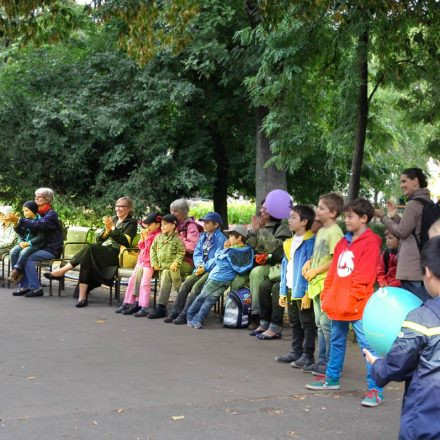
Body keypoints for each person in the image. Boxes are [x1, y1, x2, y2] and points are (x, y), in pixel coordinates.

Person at [306, 198, 384, 408]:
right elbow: (333, 273)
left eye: (350, 217)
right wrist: (329, 295)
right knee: (337, 341)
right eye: (346, 216)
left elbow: (365, 276)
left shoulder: (371, 241)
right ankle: (331, 379)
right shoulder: (343, 242)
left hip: (357, 305)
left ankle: (376, 389)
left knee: (368, 348)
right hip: (339, 304)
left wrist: (353, 299)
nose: (346, 220)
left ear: (364, 218)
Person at [364, 236, 440, 439]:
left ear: (428, 272)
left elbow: (396, 365)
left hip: (426, 420)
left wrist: (377, 364)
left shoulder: (421, 318)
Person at [47, 197, 137, 307]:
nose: (118, 208)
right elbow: (99, 239)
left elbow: (125, 242)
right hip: (102, 251)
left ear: (128, 209)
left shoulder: (131, 223)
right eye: (117, 206)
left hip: (116, 254)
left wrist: (112, 229)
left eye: (122, 206)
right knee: (87, 258)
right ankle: (82, 298)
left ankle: (63, 271)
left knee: (90, 249)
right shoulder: (113, 219)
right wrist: (107, 231)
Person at [301, 192, 344, 375]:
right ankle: (322, 360)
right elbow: (321, 254)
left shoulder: (335, 231)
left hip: (327, 284)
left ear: (332, 212)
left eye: (321, 208)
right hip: (316, 284)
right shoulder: (322, 231)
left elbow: (336, 259)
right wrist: (310, 262)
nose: (317, 210)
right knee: (320, 323)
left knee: (327, 325)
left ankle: (330, 362)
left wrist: (316, 271)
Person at [231, 201, 291, 329]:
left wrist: (261, 230)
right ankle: (235, 313)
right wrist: (253, 231)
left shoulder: (283, 227)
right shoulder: (258, 226)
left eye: (266, 209)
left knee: (257, 273)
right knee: (236, 280)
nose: (262, 210)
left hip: (274, 265)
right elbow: (250, 246)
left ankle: (256, 315)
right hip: (254, 262)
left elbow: (277, 250)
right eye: (262, 208)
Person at [270, 206, 316, 370]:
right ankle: (296, 351)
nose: (289, 220)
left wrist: (307, 293)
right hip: (290, 287)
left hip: (302, 290)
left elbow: (312, 270)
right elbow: (284, 268)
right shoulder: (288, 243)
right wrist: (282, 290)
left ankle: (308, 354)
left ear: (304, 222)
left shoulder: (311, 242)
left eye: (293, 217)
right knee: (295, 322)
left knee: (307, 322)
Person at [375, 168, 431, 302]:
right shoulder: (426, 202)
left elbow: (402, 232)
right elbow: (413, 231)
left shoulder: (413, 204)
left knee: (414, 308)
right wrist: (395, 216)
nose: (401, 185)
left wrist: (383, 216)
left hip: (411, 270)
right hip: (423, 265)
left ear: (416, 181)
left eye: (404, 181)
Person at [164, 212, 227, 324]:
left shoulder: (221, 239)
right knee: (186, 284)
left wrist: (205, 267)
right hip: (201, 268)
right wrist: (199, 265)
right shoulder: (204, 236)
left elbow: (218, 257)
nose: (204, 225)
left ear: (216, 225)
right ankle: (175, 312)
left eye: (207, 223)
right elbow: (197, 253)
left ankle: (185, 314)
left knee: (196, 287)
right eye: (204, 222)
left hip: (213, 271)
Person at [186, 225, 254, 329]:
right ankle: (193, 317)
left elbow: (217, 258)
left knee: (206, 298)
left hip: (219, 278)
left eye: (231, 236)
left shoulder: (231, 251)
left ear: (239, 238)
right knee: (206, 298)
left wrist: (224, 249)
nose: (229, 239)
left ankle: (196, 318)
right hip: (220, 279)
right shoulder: (245, 251)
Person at [147, 200, 200, 318]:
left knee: (169, 271)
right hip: (169, 262)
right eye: (171, 210)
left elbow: (193, 247)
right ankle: (163, 307)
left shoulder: (190, 226)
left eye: (176, 211)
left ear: (184, 212)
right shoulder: (169, 224)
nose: (173, 213)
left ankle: (178, 307)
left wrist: (178, 237)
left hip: (186, 261)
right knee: (166, 271)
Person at [8, 188, 63, 297]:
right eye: (35, 196)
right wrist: (16, 224)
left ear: (47, 199)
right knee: (14, 252)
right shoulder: (36, 213)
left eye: (39, 196)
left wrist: (20, 220)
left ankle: (36, 288)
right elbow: (23, 232)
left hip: (51, 249)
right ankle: (24, 286)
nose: (36, 198)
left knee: (28, 257)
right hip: (39, 246)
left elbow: (39, 225)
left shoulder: (51, 215)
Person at [115, 212, 162, 317]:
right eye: (146, 225)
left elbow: (153, 249)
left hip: (150, 263)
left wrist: (146, 238)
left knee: (144, 283)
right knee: (133, 281)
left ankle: (144, 306)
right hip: (140, 261)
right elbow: (140, 246)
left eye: (149, 225)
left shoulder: (159, 235)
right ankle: (129, 303)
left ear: (157, 225)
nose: (147, 227)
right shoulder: (146, 233)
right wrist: (143, 238)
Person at [147, 214, 186, 318]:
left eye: (165, 224)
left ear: (173, 225)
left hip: (173, 266)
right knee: (165, 275)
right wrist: (154, 263)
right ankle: (162, 307)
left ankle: (181, 304)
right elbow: (153, 250)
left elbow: (181, 251)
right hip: (162, 267)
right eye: (161, 225)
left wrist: (177, 262)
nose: (162, 227)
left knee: (177, 284)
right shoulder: (158, 238)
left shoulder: (177, 240)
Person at [8, 201, 45, 285]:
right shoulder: (25, 220)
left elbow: (40, 237)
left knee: (24, 251)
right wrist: (20, 242)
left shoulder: (40, 221)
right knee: (13, 251)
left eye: (27, 210)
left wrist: (29, 243)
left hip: (36, 245)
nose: (24, 213)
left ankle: (16, 271)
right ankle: (18, 273)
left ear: (33, 210)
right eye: (24, 211)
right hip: (24, 243)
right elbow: (21, 233)